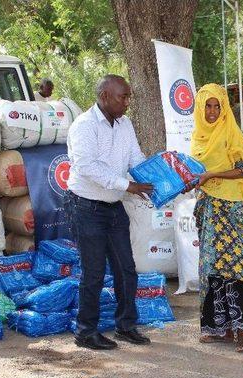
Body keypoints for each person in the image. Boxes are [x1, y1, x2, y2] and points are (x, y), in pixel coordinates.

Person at [64, 74, 153, 350]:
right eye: (122, 97)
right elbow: (88, 167)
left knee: (126, 269)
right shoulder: (84, 126)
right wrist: (129, 185)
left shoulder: (125, 124)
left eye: (128, 97)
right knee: (94, 272)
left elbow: (135, 158)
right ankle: (85, 331)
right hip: (85, 206)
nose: (127, 102)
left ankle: (126, 326)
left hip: (114, 207)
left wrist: (159, 176)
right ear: (104, 96)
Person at [191, 83, 243, 352]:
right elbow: (196, 174)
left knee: (238, 268)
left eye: (217, 106)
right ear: (200, 108)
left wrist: (211, 175)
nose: (213, 112)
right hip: (209, 209)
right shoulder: (197, 138)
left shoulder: (231, 134)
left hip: (233, 210)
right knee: (213, 269)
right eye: (208, 106)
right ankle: (219, 327)